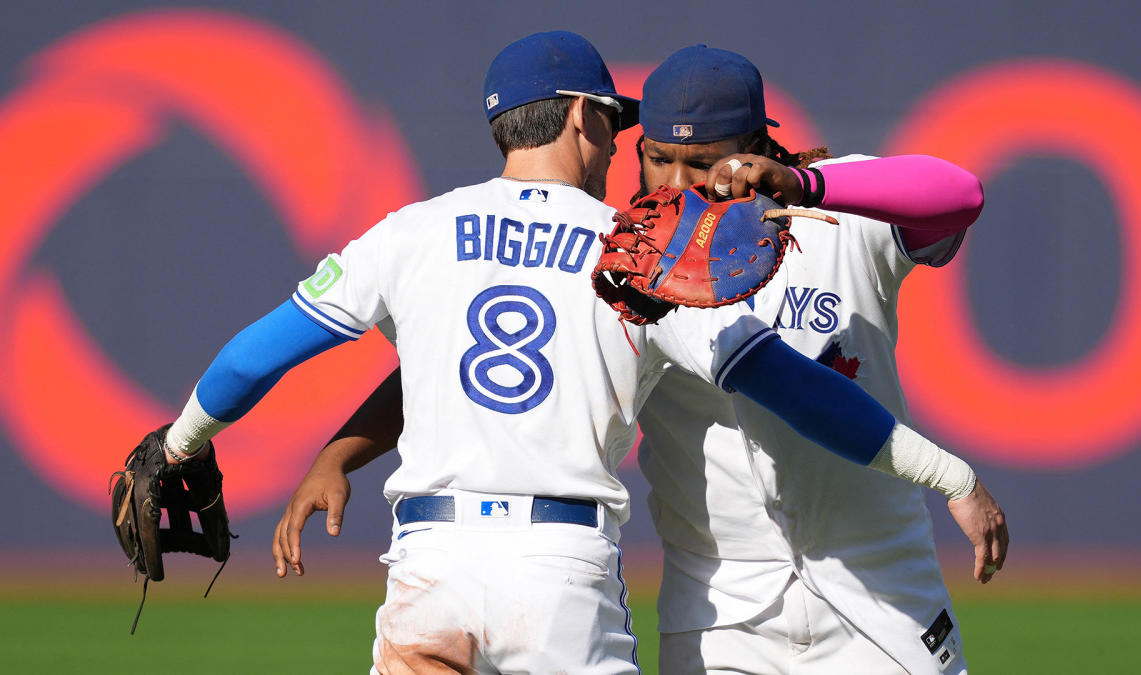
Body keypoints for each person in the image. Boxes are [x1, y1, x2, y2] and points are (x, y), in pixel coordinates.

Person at [269, 44, 1008, 674]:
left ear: (756, 147)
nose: (680, 184)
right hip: (722, 612)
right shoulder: (625, 255)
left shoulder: (840, 216)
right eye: (660, 159)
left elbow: (960, 195)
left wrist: (811, 184)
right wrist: (341, 452)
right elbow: (443, 362)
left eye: (705, 162)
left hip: (879, 587)